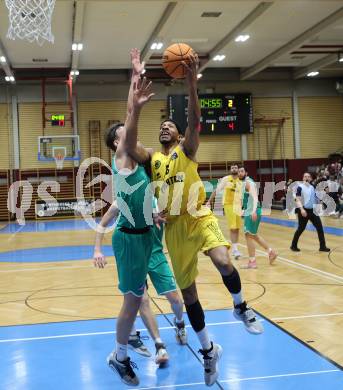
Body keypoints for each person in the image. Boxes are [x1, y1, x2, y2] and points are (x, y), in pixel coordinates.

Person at [124, 50, 263, 386]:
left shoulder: (187, 151)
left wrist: (190, 84)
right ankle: (208, 350)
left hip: (198, 215)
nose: (165, 127)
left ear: (180, 135)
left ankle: (240, 306)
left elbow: (197, 119)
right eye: (162, 126)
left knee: (223, 260)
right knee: (189, 296)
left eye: (169, 124)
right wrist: (137, 108)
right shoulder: (153, 160)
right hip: (174, 228)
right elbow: (129, 144)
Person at [93, 72, 156, 386]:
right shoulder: (122, 158)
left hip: (144, 236)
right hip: (130, 240)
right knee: (132, 301)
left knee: (137, 298)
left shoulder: (136, 164)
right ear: (118, 143)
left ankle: (124, 348)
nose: (132, 136)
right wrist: (138, 104)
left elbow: (129, 120)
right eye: (125, 134)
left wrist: (135, 77)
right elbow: (130, 126)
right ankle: (119, 357)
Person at [237, 167, 278, 269]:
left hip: (253, 211)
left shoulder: (248, 182)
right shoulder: (245, 183)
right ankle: (271, 252)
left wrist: (254, 210)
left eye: (242, 171)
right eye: (238, 171)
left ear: (246, 173)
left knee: (248, 236)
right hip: (250, 211)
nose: (240, 173)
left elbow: (255, 197)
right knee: (254, 235)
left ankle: (252, 262)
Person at [206, 164, 243, 259]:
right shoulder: (226, 179)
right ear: (230, 170)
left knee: (237, 228)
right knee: (233, 228)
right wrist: (209, 201)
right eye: (232, 168)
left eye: (236, 168)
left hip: (238, 205)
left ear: (238, 170)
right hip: (229, 204)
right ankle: (235, 250)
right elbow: (216, 190)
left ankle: (235, 248)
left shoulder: (241, 180)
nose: (234, 169)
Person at [290, 172, 330, 252]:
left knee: (319, 227)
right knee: (301, 229)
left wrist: (320, 202)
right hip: (303, 211)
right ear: (303, 178)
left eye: (308, 176)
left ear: (311, 178)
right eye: (305, 176)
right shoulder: (300, 187)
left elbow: (314, 198)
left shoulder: (312, 187)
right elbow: (297, 199)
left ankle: (322, 246)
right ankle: (293, 245)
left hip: (312, 211)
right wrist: (301, 209)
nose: (307, 178)